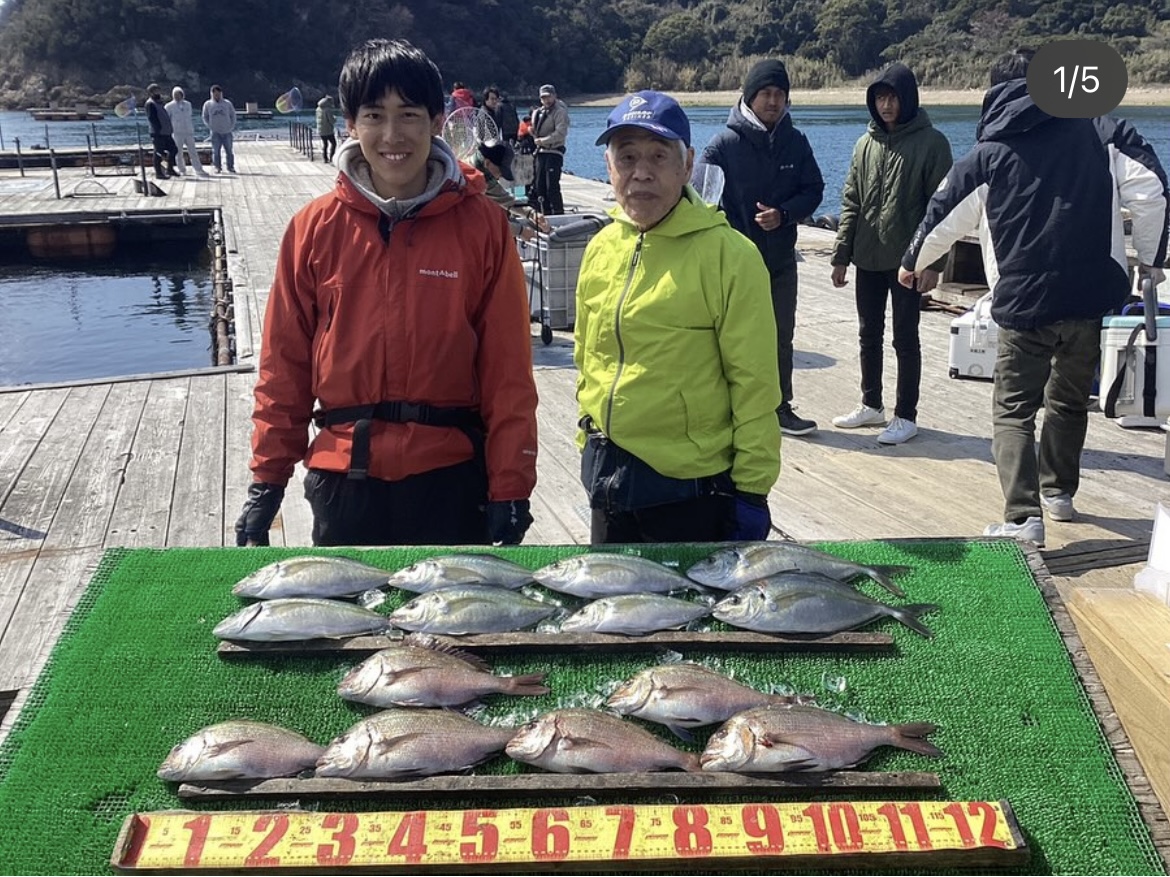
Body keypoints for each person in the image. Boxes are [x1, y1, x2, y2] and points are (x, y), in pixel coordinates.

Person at [235, 38, 538, 548]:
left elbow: (508, 372)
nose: (392, 134)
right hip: (342, 480)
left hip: (451, 477)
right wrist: (266, 481)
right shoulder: (312, 229)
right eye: (374, 115)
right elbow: (283, 368)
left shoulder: (484, 227)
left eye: (410, 114)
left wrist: (511, 488)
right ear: (350, 124)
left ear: (438, 121)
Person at [899, 49, 1164, 546]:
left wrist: (913, 262)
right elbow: (1151, 189)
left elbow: (942, 212)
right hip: (1091, 299)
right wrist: (1149, 258)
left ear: (993, 93)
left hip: (1024, 303)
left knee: (1014, 408)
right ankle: (1059, 493)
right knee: (1069, 401)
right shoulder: (1100, 130)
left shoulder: (990, 152)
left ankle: (1023, 518)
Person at [574, 90, 782, 544]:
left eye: (658, 156)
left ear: (687, 164)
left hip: (688, 491)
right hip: (607, 479)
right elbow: (587, 356)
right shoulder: (600, 247)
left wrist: (751, 491)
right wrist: (587, 437)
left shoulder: (731, 256)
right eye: (626, 156)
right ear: (608, 167)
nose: (641, 172)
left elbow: (755, 385)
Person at [699, 59, 825, 437]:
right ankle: (728, 407)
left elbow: (814, 190)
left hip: (781, 259)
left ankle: (780, 407)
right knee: (731, 336)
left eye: (780, 94)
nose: (773, 101)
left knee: (780, 335)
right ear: (749, 97)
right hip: (735, 262)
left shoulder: (796, 141)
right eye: (766, 94)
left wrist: (785, 214)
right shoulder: (724, 144)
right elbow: (701, 196)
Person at [829, 62, 953, 445]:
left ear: (908, 99)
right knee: (869, 333)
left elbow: (943, 208)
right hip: (867, 256)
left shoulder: (932, 143)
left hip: (907, 262)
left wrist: (932, 262)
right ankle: (871, 405)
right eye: (880, 98)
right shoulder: (865, 144)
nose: (885, 105)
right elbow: (851, 201)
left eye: (892, 97)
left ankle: (906, 414)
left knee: (905, 338)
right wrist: (840, 254)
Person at [472, 139, 548, 240]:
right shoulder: (471, 181)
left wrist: (531, 213)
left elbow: (506, 199)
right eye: (500, 171)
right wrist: (520, 231)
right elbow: (485, 222)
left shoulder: (484, 174)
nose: (500, 177)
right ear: (487, 163)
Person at [531, 84, 570, 215]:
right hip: (540, 152)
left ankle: (558, 213)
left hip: (554, 151)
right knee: (539, 186)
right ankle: (544, 213)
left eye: (548, 96)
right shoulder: (539, 112)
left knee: (551, 186)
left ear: (554, 96)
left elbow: (561, 132)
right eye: (543, 98)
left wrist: (544, 140)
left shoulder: (560, 111)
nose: (546, 100)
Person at [165, 87, 208, 176]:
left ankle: (198, 169)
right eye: (175, 94)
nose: (177, 96)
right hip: (177, 132)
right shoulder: (169, 106)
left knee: (193, 151)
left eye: (179, 94)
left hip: (188, 131)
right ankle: (182, 170)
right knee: (179, 152)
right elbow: (167, 120)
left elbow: (189, 117)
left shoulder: (188, 104)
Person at [201, 84, 237, 173]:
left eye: (218, 93)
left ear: (221, 93)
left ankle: (230, 167)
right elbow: (204, 116)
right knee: (216, 151)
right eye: (215, 93)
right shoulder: (208, 104)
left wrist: (231, 126)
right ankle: (217, 167)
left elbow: (233, 115)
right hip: (215, 132)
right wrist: (210, 126)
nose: (216, 95)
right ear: (211, 94)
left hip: (227, 131)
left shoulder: (227, 103)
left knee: (229, 150)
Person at [145, 82, 177, 179]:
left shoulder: (159, 102)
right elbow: (152, 119)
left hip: (166, 132)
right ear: (151, 92)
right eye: (155, 91)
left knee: (174, 150)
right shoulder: (150, 104)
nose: (158, 92)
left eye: (158, 90)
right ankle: (159, 173)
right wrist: (158, 130)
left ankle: (170, 169)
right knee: (158, 153)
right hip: (158, 133)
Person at [316, 95, 338, 163]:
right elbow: (331, 120)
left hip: (320, 130)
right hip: (328, 130)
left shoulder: (318, 109)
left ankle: (325, 158)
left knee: (325, 144)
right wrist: (335, 118)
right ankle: (331, 157)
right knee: (334, 143)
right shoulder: (328, 110)